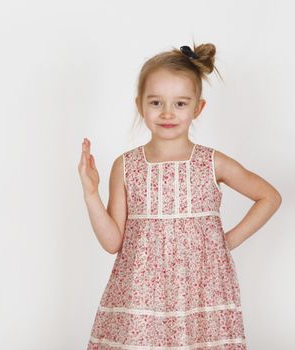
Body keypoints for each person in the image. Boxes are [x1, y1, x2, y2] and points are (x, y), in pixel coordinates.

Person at [78, 43, 282, 349]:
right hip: (142, 297)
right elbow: (112, 243)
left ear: (198, 108)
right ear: (140, 105)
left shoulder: (213, 162)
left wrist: (228, 241)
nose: (168, 113)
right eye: (156, 102)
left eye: (181, 104)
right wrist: (91, 192)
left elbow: (269, 196)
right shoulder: (126, 166)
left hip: (200, 292)